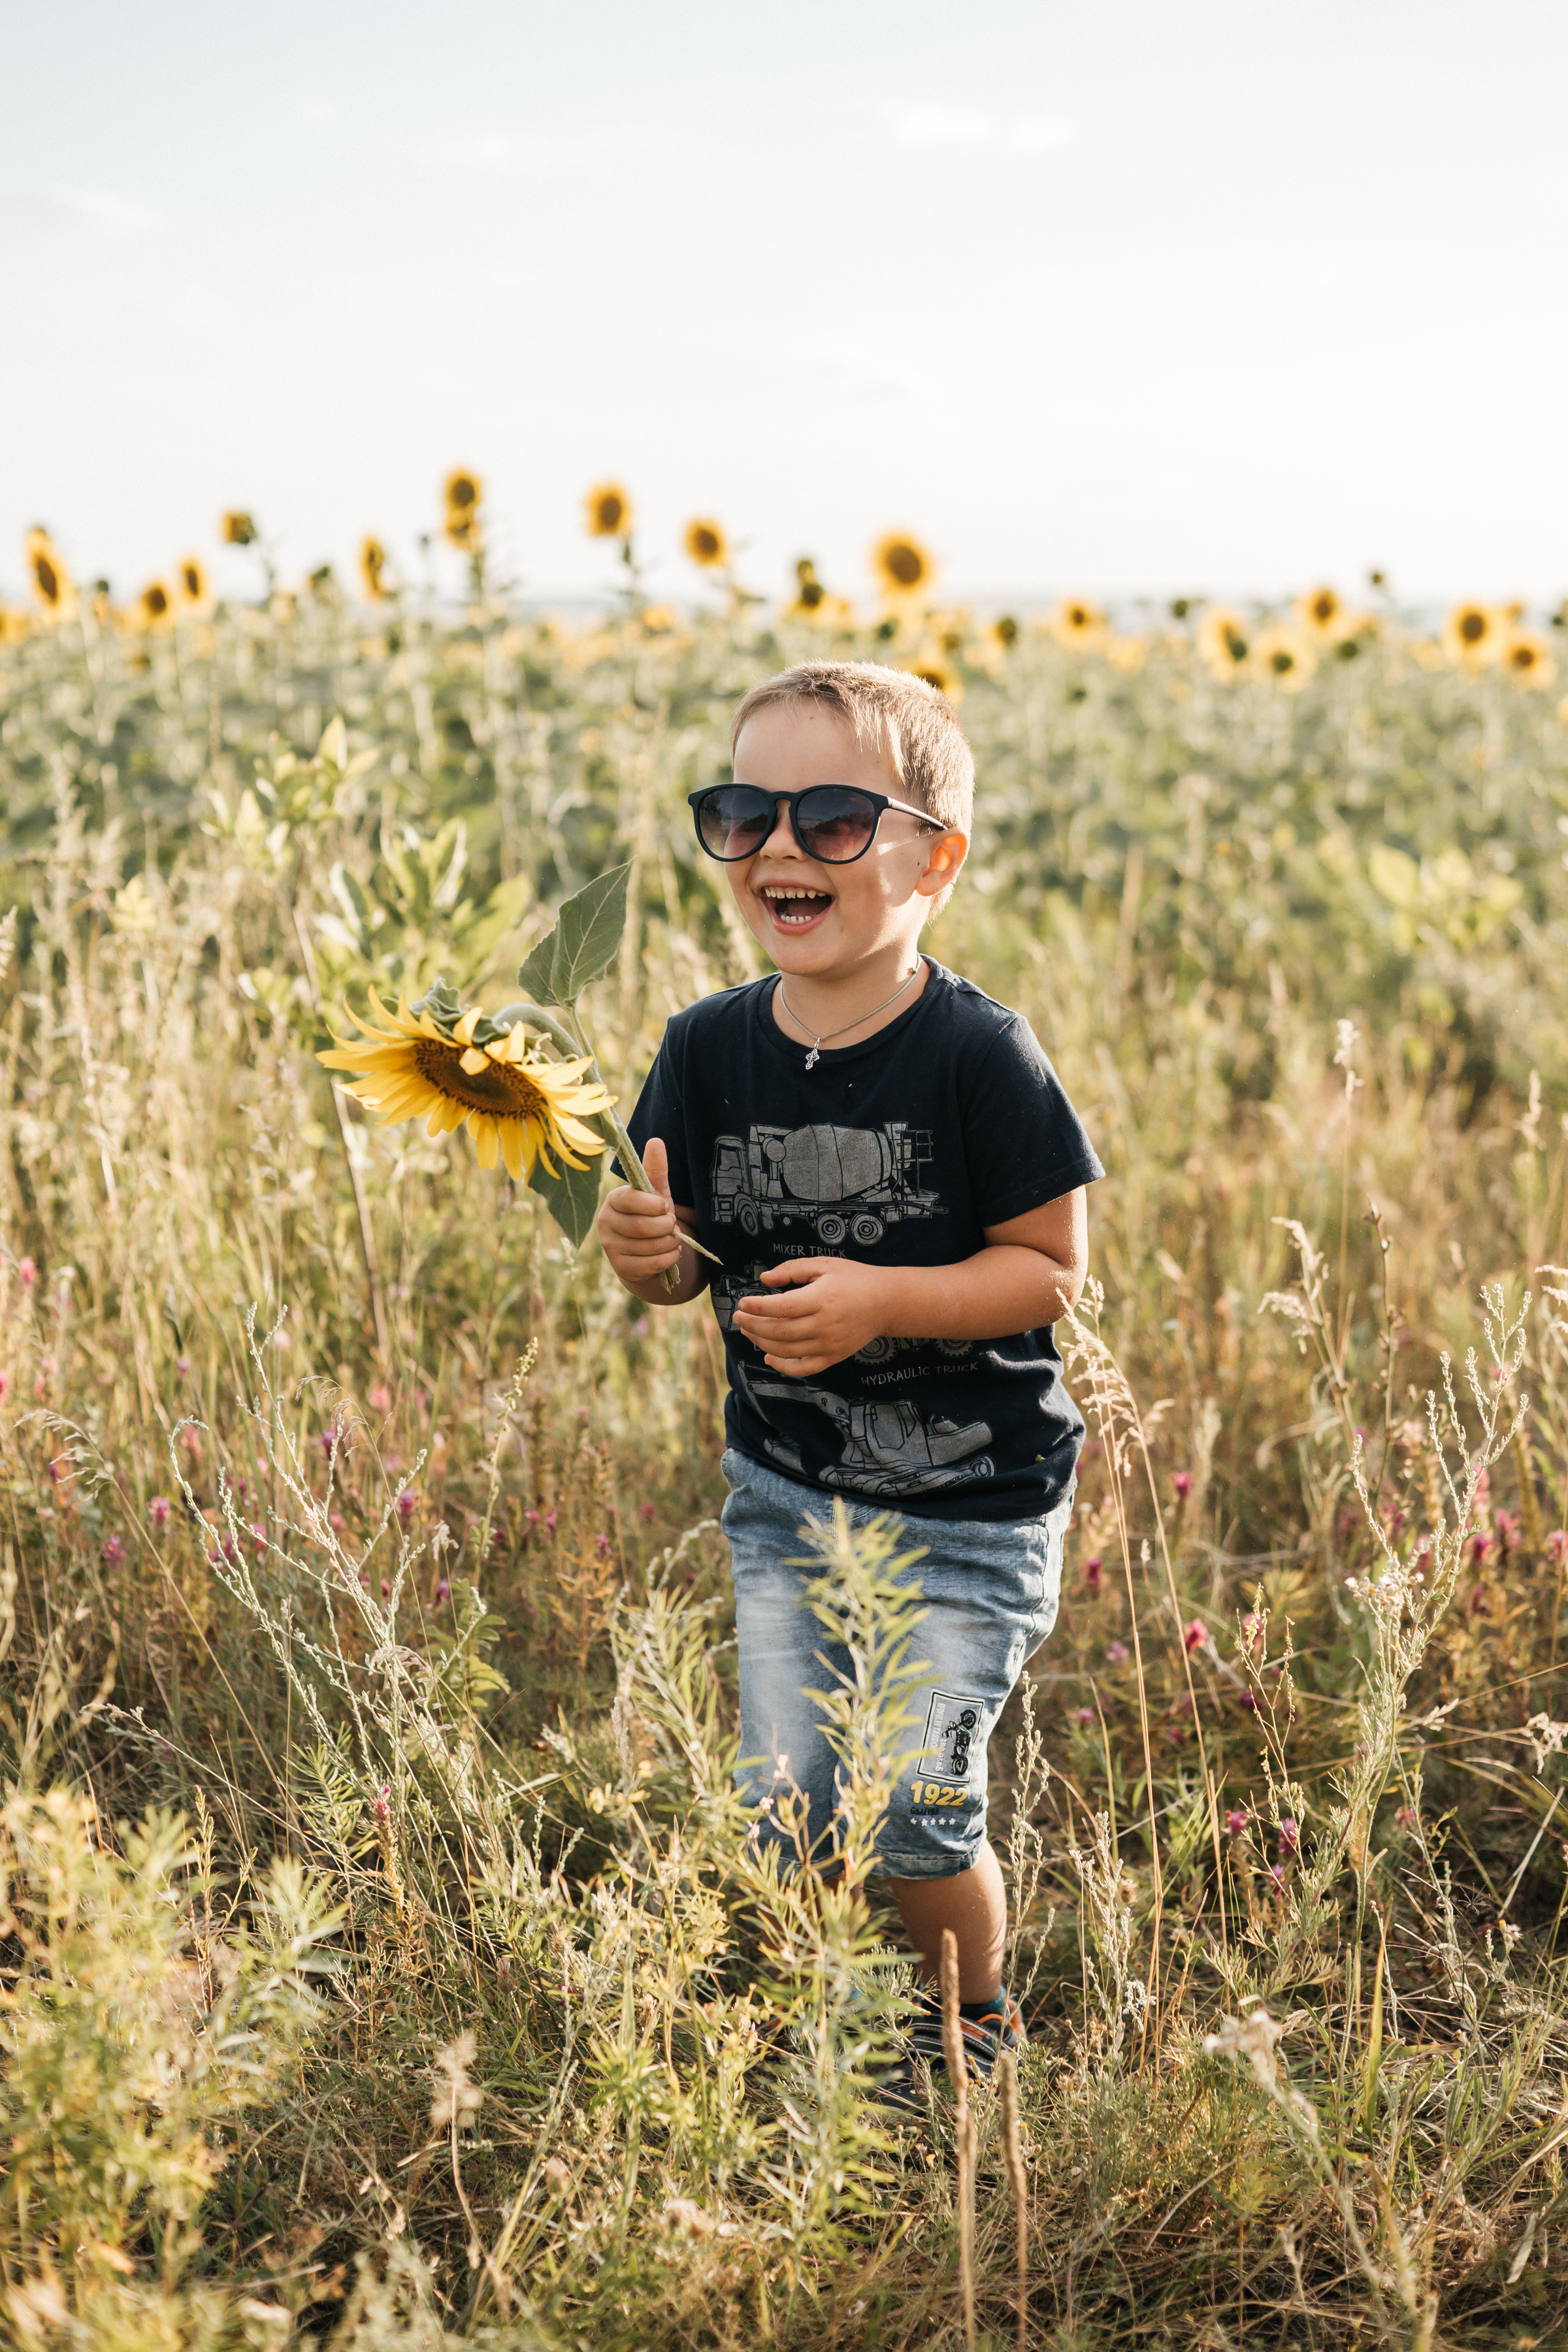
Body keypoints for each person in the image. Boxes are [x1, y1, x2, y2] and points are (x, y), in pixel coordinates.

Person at [596, 659, 1103, 2094]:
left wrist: (883, 1300)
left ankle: (969, 2022)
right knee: (790, 1808)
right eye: (744, 811)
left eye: (830, 818)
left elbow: (1050, 1267)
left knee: (921, 1815)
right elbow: (681, 1262)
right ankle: (828, 2019)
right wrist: (646, 1250)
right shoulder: (703, 1050)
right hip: (789, 1494)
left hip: (971, 1509)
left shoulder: (979, 1055)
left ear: (934, 861)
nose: (775, 847)